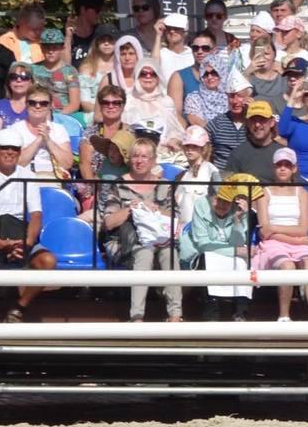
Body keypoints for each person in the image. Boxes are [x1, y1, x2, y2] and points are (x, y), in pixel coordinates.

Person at [0, 127, 56, 321]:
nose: (9, 152)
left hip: (18, 232)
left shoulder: (28, 176)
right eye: (5, 148)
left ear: (19, 151)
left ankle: (18, 308)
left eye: (14, 148)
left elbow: (36, 215)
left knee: (47, 261)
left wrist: (26, 244)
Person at [101, 137, 183, 322]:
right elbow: (108, 222)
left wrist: (155, 209)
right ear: (130, 159)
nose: (139, 160)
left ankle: (175, 315)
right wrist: (130, 209)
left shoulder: (164, 185)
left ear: (153, 161)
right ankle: (137, 317)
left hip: (160, 239)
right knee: (144, 253)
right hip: (127, 241)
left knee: (169, 253)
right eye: (136, 156)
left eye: (145, 157)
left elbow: (176, 218)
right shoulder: (118, 185)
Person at [251, 147, 308, 322]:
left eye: (287, 165)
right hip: (277, 244)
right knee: (288, 266)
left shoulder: (303, 193)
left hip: (298, 242)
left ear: (294, 168)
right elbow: (264, 232)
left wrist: (275, 229)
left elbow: (302, 228)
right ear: (273, 168)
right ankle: (284, 314)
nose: (283, 168)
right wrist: (296, 239)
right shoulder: (263, 193)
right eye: (279, 165)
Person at [178, 178, 254, 323]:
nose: (222, 205)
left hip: (226, 249)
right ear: (209, 197)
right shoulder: (201, 205)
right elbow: (203, 244)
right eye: (218, 200)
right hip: (202, 250)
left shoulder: (239, 209)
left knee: (242, 261)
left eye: (227, 201)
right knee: (209, 258)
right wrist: (233, 251)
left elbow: (238, 243)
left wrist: (238, 219)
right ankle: (211, 311)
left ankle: (240, 311)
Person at [123, 59, 186, 154]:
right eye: (143, 74)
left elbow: (174, 130)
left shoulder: (166, 101)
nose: (148, 77)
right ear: (136, 76)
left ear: (158, 77)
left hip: (162, 152)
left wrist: (173, 140)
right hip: (133, 152)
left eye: (153, 74)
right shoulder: (128, 99)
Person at [14, 85, 72, 178]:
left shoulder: (59, 129)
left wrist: (48, 140)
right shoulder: (16, 129)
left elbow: (67, 164)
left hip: (53, 178)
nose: (37, 106)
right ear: (26, 104)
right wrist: (39, 139)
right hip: (24, 179)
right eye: (32, 103)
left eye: (43, 103)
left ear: (50, 106)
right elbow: (16, 163)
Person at [80, 85, 131, 190]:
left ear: (123, 106)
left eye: (116, 103)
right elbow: (85, 165)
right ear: (100, 105)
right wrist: (95, 190)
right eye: (105, 102)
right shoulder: (90, 133)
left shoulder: (131, 133)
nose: (111, 106)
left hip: (126, 188)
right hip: (96, 187)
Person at [222, 99, 279, 182]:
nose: (257, 124)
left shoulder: (282, 153)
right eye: (253, 120)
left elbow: (296, 186)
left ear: (272, 123)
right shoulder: (237, 154)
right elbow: (225, 186)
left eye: (262, 120)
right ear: (247, 123)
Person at [175, 125, 221, 226]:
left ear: (203, 148)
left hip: (204, 227)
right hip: (182, 229)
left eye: (195, 146)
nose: (190, 149)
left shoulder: (211, 171)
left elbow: (220, 197)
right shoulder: (181, 175)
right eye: (187, 146)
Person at [205, 75, 253, 171]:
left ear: (249, 98)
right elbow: (204, 148)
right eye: (231, 96)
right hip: (222, 176)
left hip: (249, 175)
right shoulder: (217, 123)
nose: (235, 101)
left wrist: (253, 112)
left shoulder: (256, 124)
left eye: (239, 96)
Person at [32, 28, 80, 116]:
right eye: (47, 47)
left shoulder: (70, 71)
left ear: (62, 48)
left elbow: (74, 104)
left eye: (55, 47)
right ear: (41, 48)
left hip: (63, 115)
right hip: (37, 112)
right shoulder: (33, 69)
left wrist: (57, 116)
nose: (50, 51)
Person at [77, 24, 117, 116]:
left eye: (110, 40)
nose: (106, 43)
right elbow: (85, 103)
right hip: (93, 114)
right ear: (96, 43)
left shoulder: (122, 66)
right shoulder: (86, 68)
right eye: (102, 40)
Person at [182, 54, 229, 126]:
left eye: (214, 73)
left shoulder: (230, 97)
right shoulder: (194, 98)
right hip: (205, 134)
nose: (210, 77)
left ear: (221, 73)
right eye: (206, 74)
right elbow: (195, 121)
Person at [0, 61, 36, 129]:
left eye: (24, 76)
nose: (18, 80)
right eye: (13, 76)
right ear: (9, 82)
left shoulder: (39, 105)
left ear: (31, 82)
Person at [66, 0, 105, 66]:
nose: (99, 13)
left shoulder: (101, 32)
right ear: (83, 9)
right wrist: (68, 38)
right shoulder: (67, 34)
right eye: (97, 10)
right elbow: (63, 67)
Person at [151, 12, 193, 80]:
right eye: (168, 28)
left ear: (185, 32)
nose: (172, 31)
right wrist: (158, 35)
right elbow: (153, 66)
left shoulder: (192, 53)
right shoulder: (161, 53)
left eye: (176, 28)